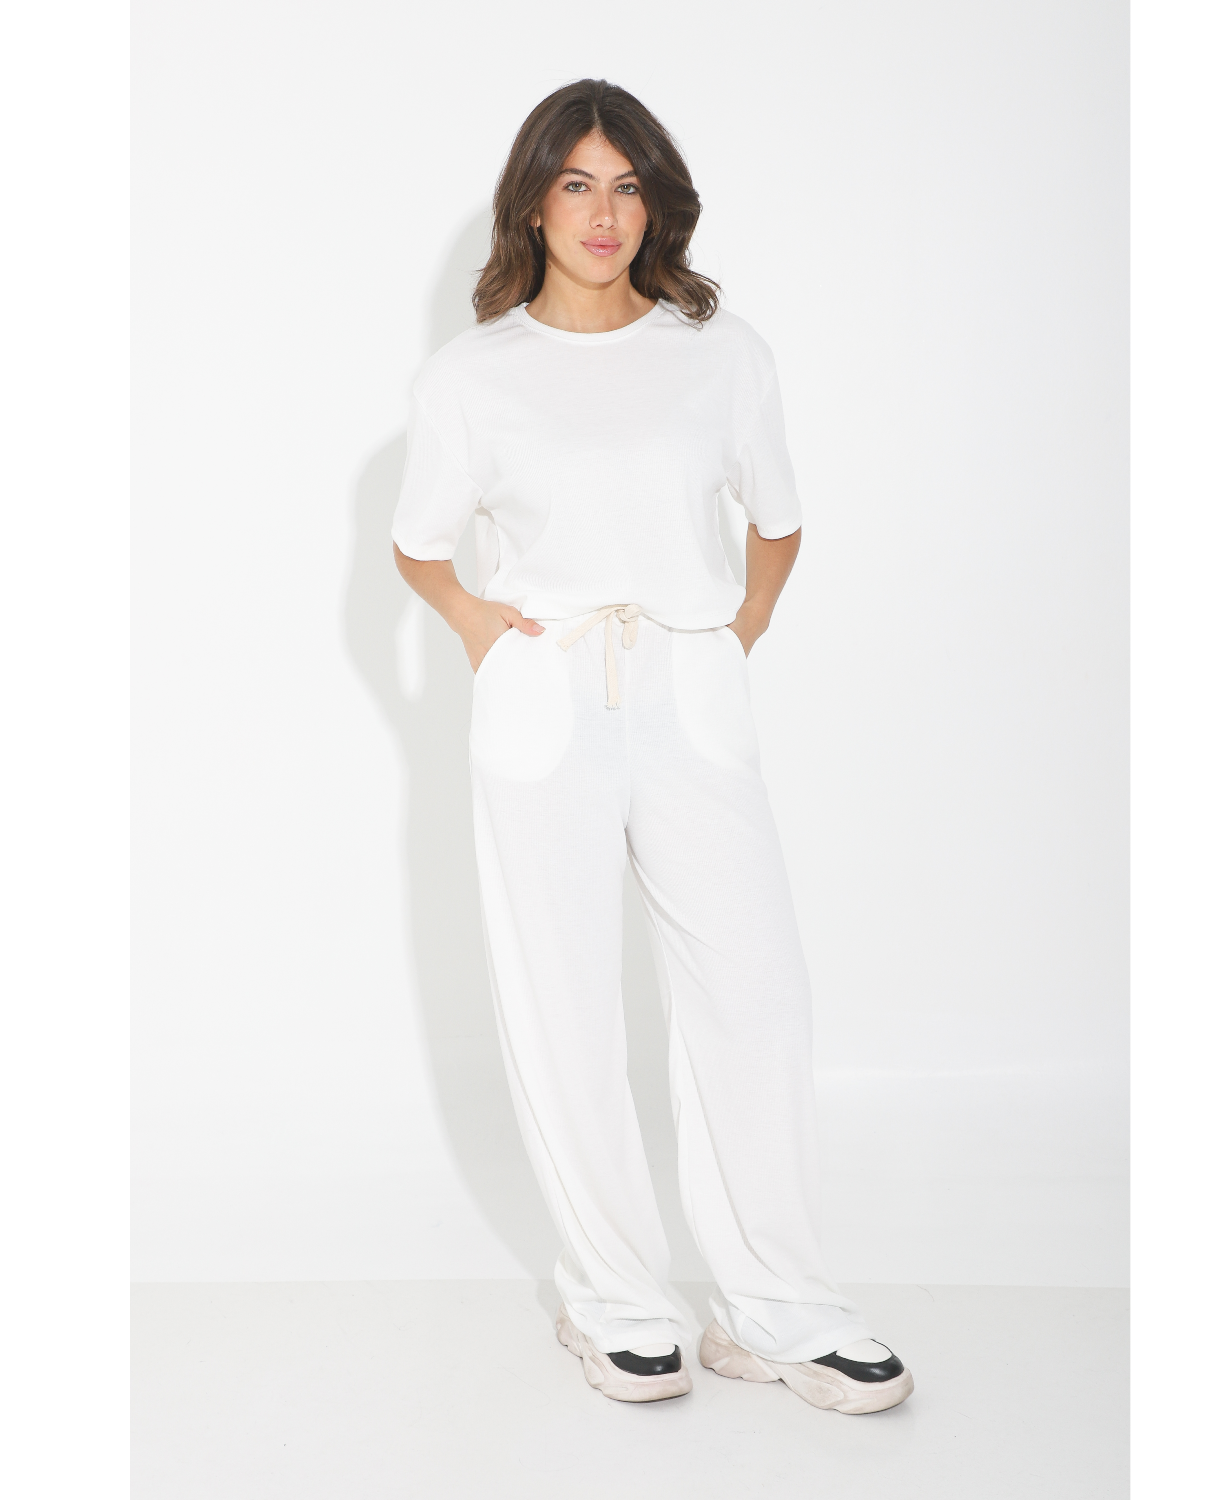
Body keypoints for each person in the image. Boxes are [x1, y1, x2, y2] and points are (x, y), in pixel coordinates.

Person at [391, 79, 912, 1414]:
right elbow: (420, 545)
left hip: (691, 684)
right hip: (545, 695)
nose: (603, 213)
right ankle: (615, 1300)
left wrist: (739, 631)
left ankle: (780, 1306)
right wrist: (480, 633)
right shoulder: (473, 375)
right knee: (563, 1006)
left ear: (656, 205)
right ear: (532, 204)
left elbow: (778, 521)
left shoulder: (720, 353)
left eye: (627, 186)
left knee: (756, 992)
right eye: (576, 184)